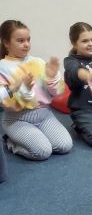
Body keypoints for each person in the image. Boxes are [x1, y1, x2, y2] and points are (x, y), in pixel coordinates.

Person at [0, 20, 73, 161]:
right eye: (20, 41)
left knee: (65, 146)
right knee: (43, 152)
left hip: (44, 115)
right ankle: (10, 141)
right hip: (18, 119)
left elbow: (57, 93)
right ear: (6, 43)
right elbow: (8, 104)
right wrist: (25, 90)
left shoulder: (38, 62)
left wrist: (52, 79)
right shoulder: (2, 67)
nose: (26, 44)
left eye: (28, 39)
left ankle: (36, 136)